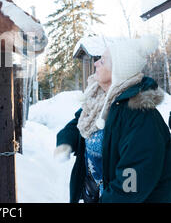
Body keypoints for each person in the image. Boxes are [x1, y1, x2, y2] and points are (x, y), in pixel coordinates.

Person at [54, 35, 171, 203]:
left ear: (118, 71)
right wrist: (65, 142)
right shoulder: (100, 99)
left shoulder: (140, 116)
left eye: (102, 61)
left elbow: (132, 182)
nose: (95, 63)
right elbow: (78, 123)